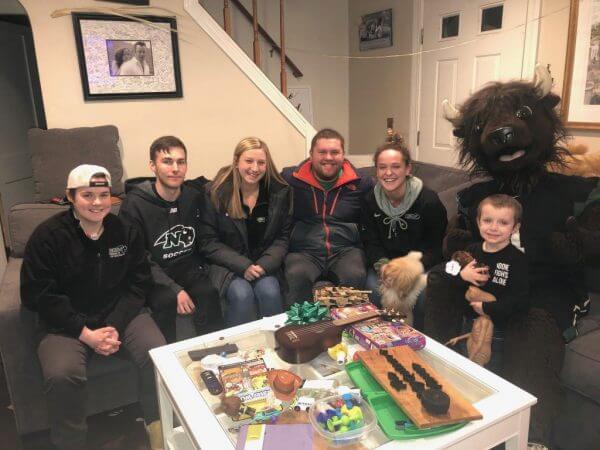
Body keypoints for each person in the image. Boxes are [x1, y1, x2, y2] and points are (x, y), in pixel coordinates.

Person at [20, 165, 165, 450]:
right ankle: (70, 442)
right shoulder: (47, 236)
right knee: (62, 374)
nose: (97, 203)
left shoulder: (125, 231)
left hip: (119, 315)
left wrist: (115, 325)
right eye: (88, 195)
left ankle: (158, 428)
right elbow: (37, 294)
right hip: (65, 324)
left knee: (156, 353)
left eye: (103, 195)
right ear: (70, 197)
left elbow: (139, 284)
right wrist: (84, 332)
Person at [119, 136, 221, 342]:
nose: (175, 168)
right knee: (165, 300)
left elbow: (204, 238)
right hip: (153, 273)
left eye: (180, 162)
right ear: (152, 166)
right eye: (167, 161)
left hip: (187, 268)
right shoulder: (134, 204)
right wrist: (176, 290)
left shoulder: (193, 197)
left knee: (208, 292)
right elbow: (138, 258)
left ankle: (216, 354)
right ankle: (169, 365)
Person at [431, 194, 528, 373]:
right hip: (466, 322)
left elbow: (519, 301)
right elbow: (447, 270)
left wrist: (488, 309)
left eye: (503, 223)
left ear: (515, 227)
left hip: (497, 330)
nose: (493, 227)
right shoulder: (471, 250)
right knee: (462, 366)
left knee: (489, 370)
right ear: (478, 222)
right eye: (488, 220)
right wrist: (462, 275)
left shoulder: (518, 260)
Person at [199, 137, 290, 327]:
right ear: (236, 162)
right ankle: (237, 352)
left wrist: (264, 265)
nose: (255, 168)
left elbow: (283, 237)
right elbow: (208, 242)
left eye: (261, 162)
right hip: (227, 266)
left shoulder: (279, 193)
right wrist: (243, 265)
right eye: (249, 161)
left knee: (270, 291)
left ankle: (278, 347)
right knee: (242, 294)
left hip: (263, 264)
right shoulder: (215, 192)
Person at [282, 128, 374, 305]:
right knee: (296, 275)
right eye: (322, 152)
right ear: (311, 154)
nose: (329, 157)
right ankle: (301, 329)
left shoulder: (362, 182)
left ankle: (346, 328)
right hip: (303, 251)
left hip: (345, 250)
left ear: (343, 154)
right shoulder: (290, 178)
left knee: (354, 274)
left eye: (335, 152)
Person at [360, 138, 447, 317]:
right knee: (372, 290)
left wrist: (408, 271)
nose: (388, 173)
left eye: (396, 166)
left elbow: (436, 248)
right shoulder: (369, 200)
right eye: (382, 167)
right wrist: (383, 266)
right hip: (385, 264)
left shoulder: (429, 201)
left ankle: (419, 341)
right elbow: (370, 242)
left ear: (408, 169)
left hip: (419, 264)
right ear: (376, 171)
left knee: (423, 295)